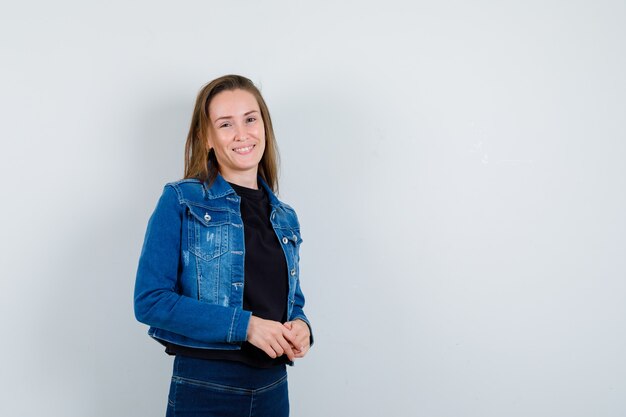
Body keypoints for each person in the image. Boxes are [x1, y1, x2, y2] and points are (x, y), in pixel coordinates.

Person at [134, 74, 312, 417]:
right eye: (225, 124)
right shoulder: (181, 201)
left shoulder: (285, 217)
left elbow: (292, 302)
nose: (242, 134)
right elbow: (150, 301)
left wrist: (302, 326)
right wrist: (246, 325)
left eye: (250, 119)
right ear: (208, 138)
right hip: (206, 389)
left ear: (264, 125)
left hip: (273, 388)